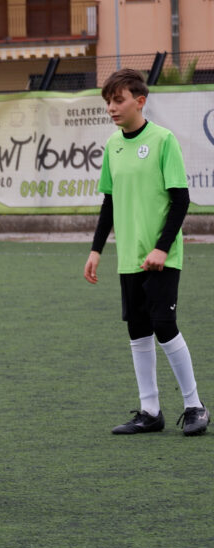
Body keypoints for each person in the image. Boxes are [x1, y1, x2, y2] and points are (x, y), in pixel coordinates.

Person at [84, 68, 208, 436]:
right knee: (138, 330)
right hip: (129, 258)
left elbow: (181, 200)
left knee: (164, 326)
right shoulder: (112, 145)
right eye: (107, 101)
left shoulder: (163, 140)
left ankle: (195, 406)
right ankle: (150, 411)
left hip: (162, 257)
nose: (111, 108)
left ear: (140, 101)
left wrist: (161, 248)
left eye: (118, 100)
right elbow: (109, 203)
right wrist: (95, 250)